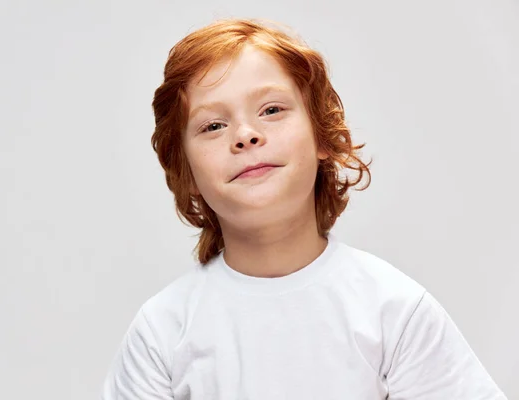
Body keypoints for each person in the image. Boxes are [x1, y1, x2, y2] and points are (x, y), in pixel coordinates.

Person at [100, 18, 507, 399]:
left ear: (323, 138)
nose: (245, 135)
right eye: (213, 126)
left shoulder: (394, 310)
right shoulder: (162, 332)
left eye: (271, 110)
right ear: (185, 170)